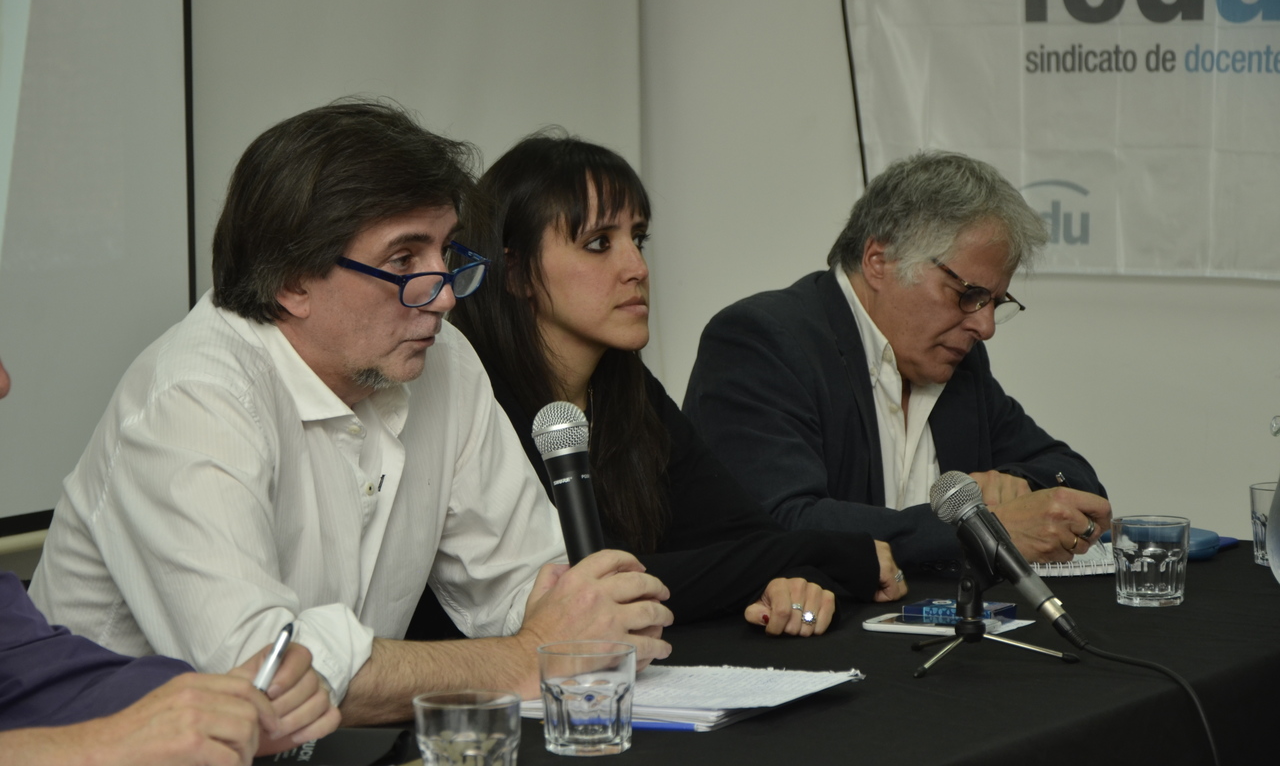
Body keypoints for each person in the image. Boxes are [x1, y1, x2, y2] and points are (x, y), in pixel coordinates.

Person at [28, 100, 672, 727]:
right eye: (404, 260)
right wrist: (523, 657)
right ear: (292, 281)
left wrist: (586, 615)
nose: (444, 297)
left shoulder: (442, 359)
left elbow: (523, 582)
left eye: (446, 252)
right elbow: (265, 673)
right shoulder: (192, 398)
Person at [444, 131, 907, 640]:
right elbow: (591, 589)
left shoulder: (627, 390)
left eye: (637, 239)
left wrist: (794, 579)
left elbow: (746, 538)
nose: (637, 268)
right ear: (514, 272)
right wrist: (818, 552)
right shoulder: (472, 398)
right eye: (599, 244)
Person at [683, 151, 1112, 568]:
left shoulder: (959, 364)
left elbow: (1074, 475)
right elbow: (781, 524)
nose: (985, 327)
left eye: (994, 303)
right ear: (879, 261)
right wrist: (983, 531)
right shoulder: (762, 341)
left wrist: (1020, 484)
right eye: (969, 294)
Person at [0, 356, 340, 765]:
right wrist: (96, 744)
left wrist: (209, 704)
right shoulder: (190, 392)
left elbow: (38, 676)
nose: (4, 383)